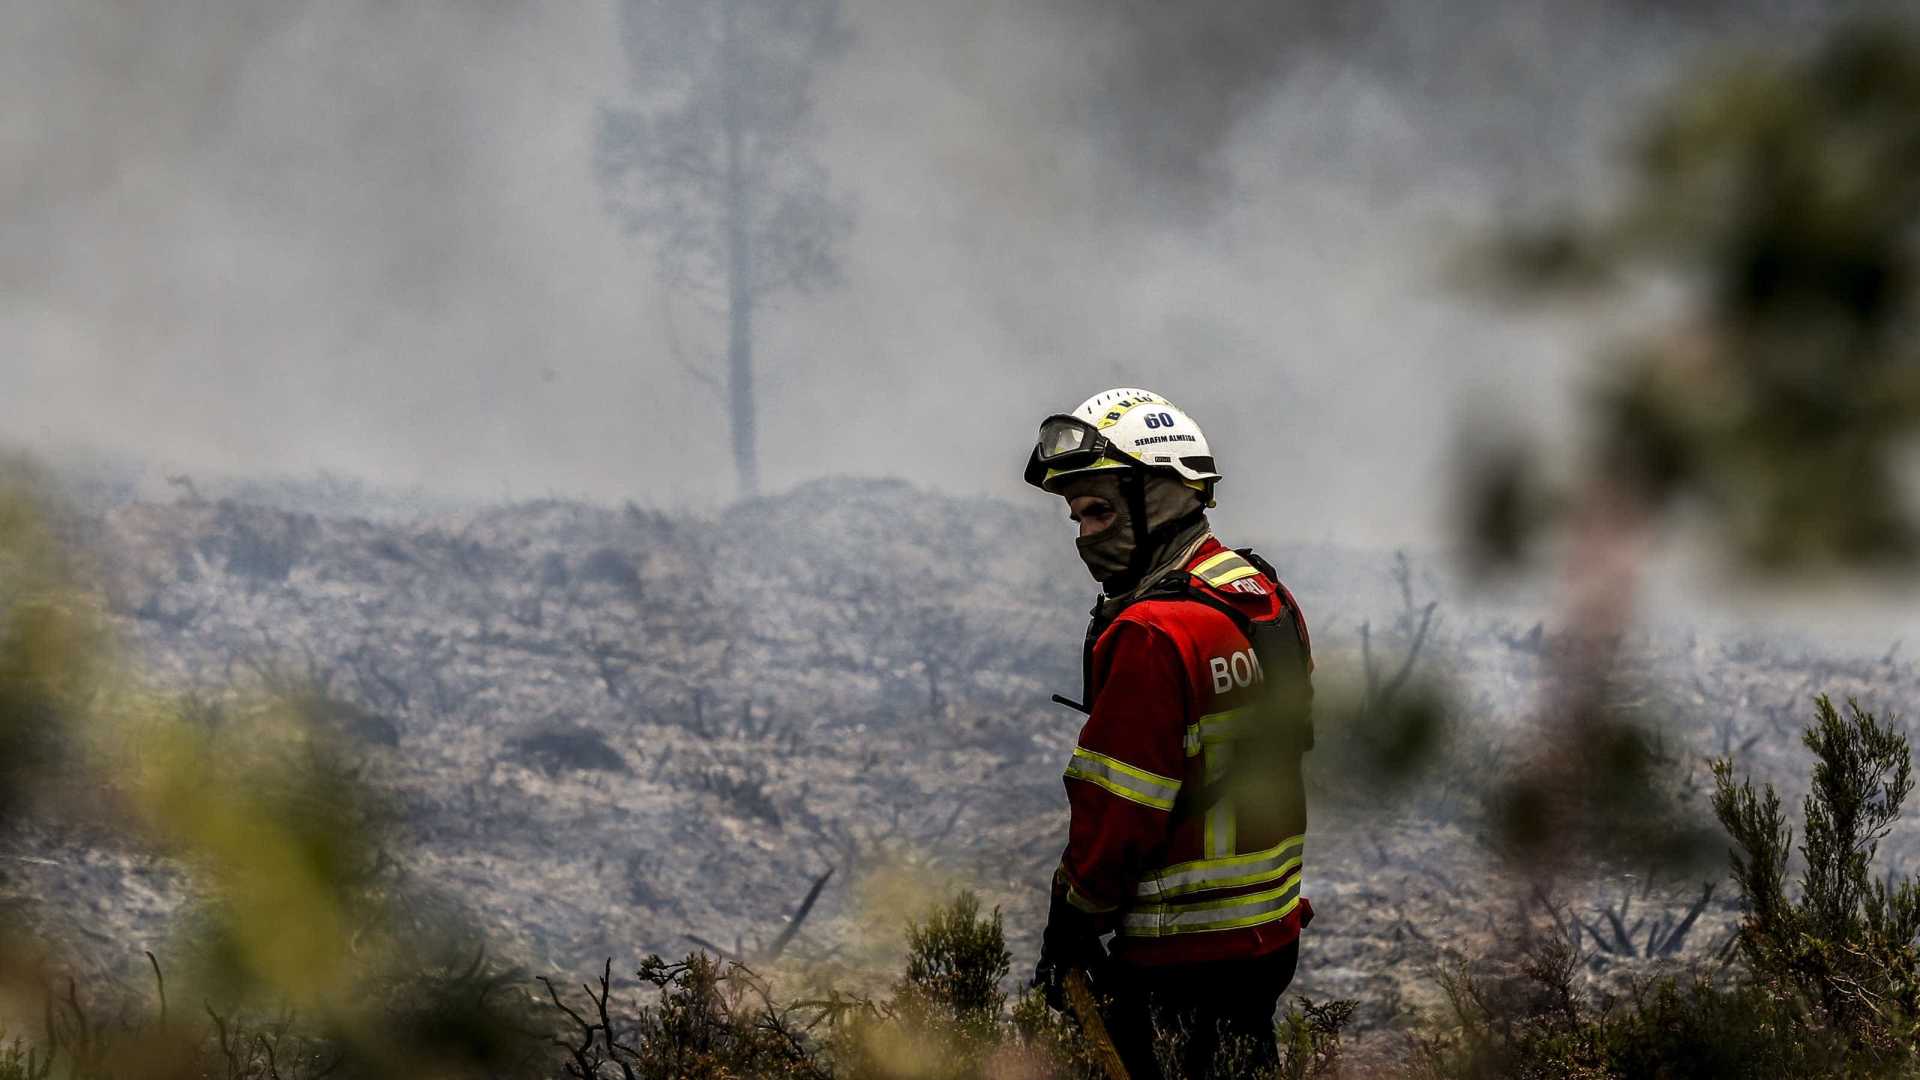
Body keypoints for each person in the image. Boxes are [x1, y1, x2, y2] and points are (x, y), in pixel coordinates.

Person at [1023, 388, 1315, 1079]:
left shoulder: (1151, 633)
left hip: (1179, 950)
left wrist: (1072, 919)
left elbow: (1119, 811)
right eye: (1077, 517)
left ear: (1158, 498)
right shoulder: (1261, 596)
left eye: (1100, 511)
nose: (1085, 537)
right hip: (1268, 935)